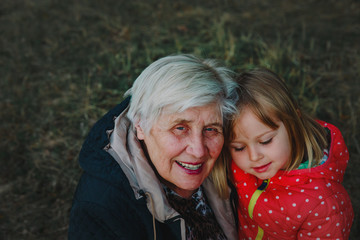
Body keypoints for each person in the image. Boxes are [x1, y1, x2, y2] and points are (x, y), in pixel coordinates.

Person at [68, 54, 240, 239]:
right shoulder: (101, 209)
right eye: (180, 128)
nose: (198, 151)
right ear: (140, 125)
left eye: (211, 129)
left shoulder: (240, 157)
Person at [227, 68, 354, 239]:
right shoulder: (238, 164)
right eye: (239, 147)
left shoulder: (324, 207)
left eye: (265, 141)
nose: (254, 156)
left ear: (293, 122)